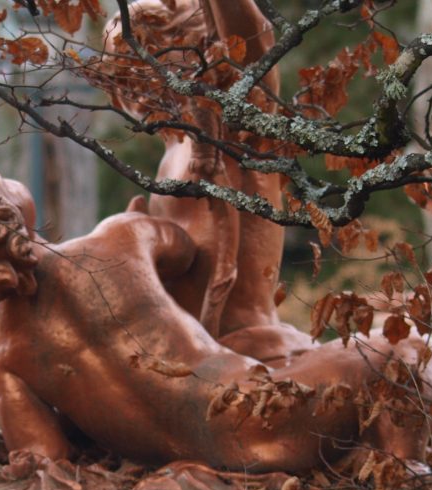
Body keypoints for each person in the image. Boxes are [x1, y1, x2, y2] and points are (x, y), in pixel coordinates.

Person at [0, 153, 432, 472]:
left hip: (208, 453)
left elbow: (46, 458)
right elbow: (187, 252)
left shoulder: (5, 358)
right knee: (403, 356)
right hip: (267, 412)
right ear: (7, 207)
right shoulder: (118, 240)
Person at [100, 0, 314, 364]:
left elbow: (246, 43)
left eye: (141, 66)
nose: (131, 91)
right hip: (190, 354)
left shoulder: (227, 119)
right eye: (120, 78)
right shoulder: (172, 155)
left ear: (187, 52)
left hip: (246, 348)